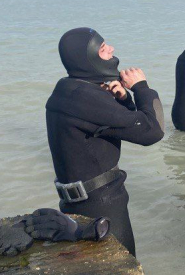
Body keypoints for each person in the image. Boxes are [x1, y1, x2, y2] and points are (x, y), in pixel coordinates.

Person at [45, 27, 165, 256]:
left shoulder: (67, 90)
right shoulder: (87, 99)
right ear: (86, 58)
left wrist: (123, 100)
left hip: (77, 204)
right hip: (102, 205)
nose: (111, 49)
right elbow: (153, 131)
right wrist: (141, 88)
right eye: (102, 48)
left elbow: (122, 126)